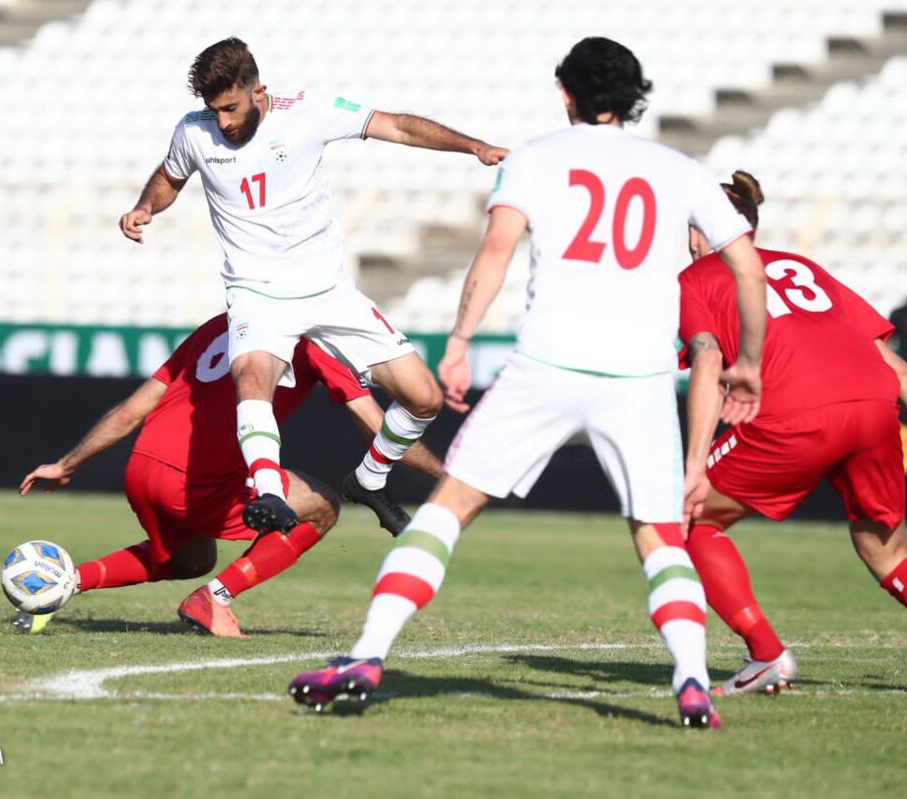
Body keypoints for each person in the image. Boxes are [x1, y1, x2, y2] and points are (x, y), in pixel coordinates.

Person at [289, 37, 769, 729]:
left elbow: (495, 250)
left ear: (567, 94)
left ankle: (366, 655)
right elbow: (747, 270)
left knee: (448, 509)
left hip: (548, 362)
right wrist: (747, 359)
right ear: (634, 97)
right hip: (637, 373)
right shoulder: (678, 169)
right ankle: (692, 680)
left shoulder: (537, 157)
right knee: (659, 536)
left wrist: (457, 343)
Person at [119, 37, 506, 539]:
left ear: (259, 91)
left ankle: (369, 478)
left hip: (329, 293)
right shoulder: (194, 134)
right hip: (256, 292)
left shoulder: (308, 111)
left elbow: (398, 126)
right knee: (253, 378)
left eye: (232, 109)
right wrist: (146, 206)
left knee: (423, 398)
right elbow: (170, 178)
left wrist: (472, 146)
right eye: (214, 112)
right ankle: (269, 493)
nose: (225, 124)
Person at [18, 314, 443, 636]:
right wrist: (449, 474)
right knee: (321, 506)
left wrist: (68, 463)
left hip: (142, 469)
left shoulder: (218, 326)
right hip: (195, 483)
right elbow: (376, 426)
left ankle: (63, 583)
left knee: (193, 559)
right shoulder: (310, 341)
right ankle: (214, 599)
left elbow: (132, 409)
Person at [678, 171, 907, 695]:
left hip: (791, 412)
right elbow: (895, 371)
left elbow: (709, 360)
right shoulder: (805, 267)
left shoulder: (695, 280)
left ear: (697, 230)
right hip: (874, 405)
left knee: (689, 519)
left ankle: (765, 655)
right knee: (887, 552)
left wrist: (694, 465)